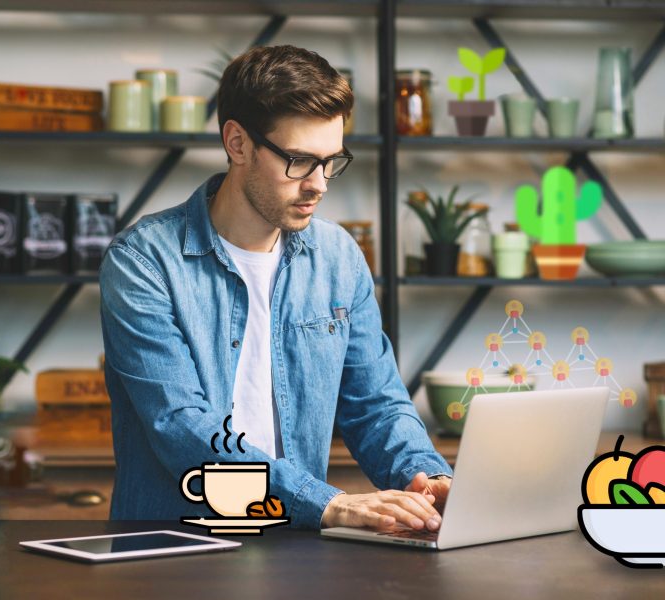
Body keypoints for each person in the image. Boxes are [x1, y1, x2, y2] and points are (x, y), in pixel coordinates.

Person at [99, 44, 452, 532]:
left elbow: (376, 403)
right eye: (300, 161)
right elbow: (180, 426)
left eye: (332, 161)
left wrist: (429, 480)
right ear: (238, 143)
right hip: (175, 547)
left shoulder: (339, 258)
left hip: (296, 546)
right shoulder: (143, 262)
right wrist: (325, 503)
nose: (320, 185)